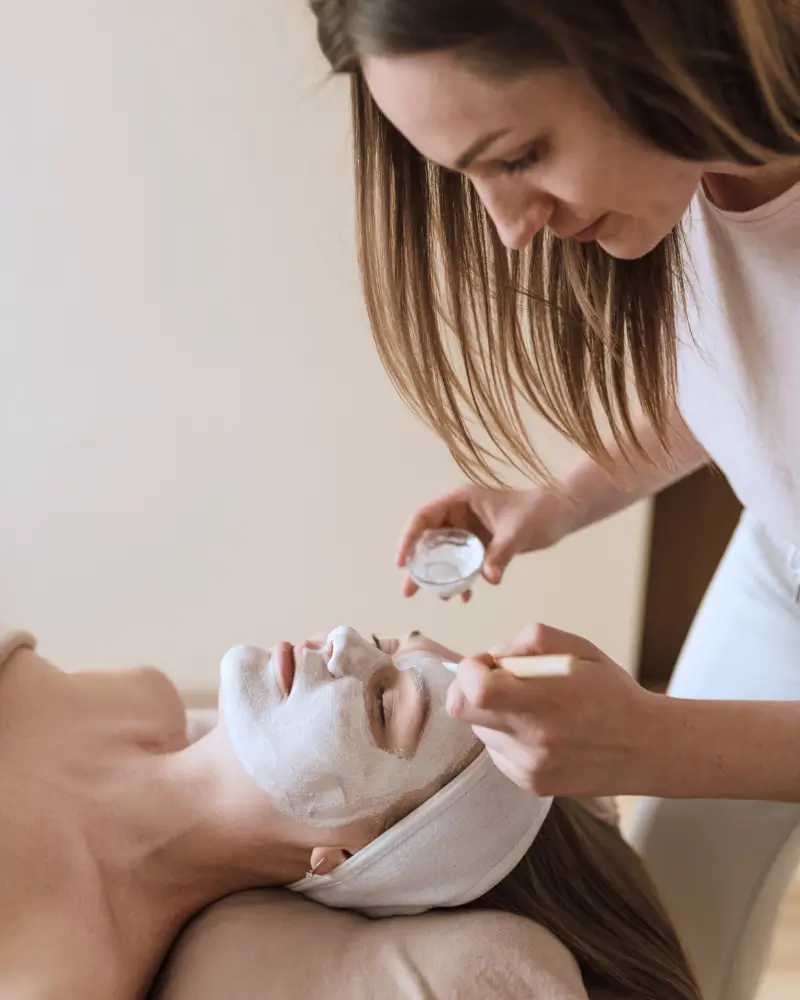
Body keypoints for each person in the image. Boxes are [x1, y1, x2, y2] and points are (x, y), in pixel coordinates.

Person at [308, 3, 800, 999]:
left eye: (520, 154)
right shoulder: (700, 176)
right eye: (469, 174)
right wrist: (556, 499)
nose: (509, 227)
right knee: (674, 900)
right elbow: (762, 377)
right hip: (780, 560)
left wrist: (656, 738)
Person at [0, 625, 698, 1000]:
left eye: (384, 702)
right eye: (388, 646)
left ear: (338, 858)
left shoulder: (62, 970)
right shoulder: (137, 697)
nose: (342, 642)